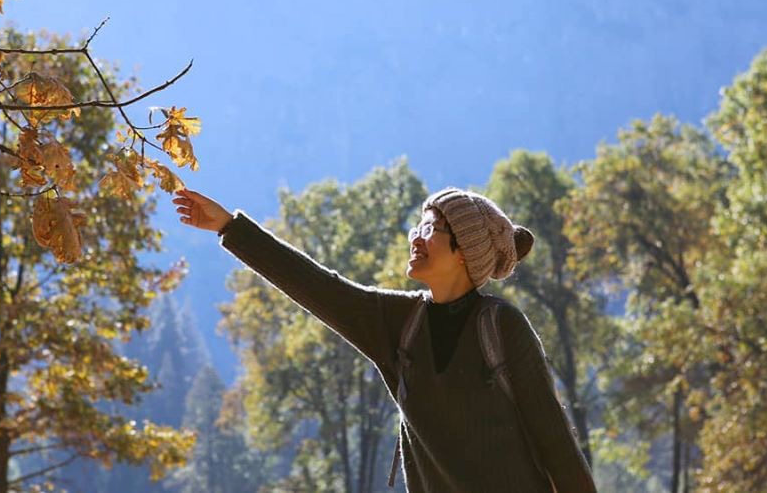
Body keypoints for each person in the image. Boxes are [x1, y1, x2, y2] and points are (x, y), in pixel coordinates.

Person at [173, 186, 596, 493]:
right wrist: (229, 226)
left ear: (464, 249)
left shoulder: (502, 329)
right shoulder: (400, 325)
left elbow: (557, 445)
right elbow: (319, 288)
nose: (415, 236)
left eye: (429, 228)